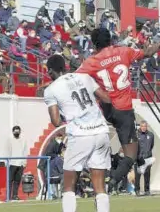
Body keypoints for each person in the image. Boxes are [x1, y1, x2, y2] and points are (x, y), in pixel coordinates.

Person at [76, 28, 160, 192]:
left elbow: (74, 77)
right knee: (130, 155)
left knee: (132, 146)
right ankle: (112, 181)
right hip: (123, 109)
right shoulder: (123, 52)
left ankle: (142, 163)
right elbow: (147, 53)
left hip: (107, 109)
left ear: (94, 43)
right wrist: (158, 45)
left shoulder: (91, 61)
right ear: (110, 40)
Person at [43, 54, 112, 212]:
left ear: (50, 71)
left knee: (69, 185)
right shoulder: (84, 77)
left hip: (81, 134)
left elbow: (55, 121)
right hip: (101, 131)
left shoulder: (50, 90)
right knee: (100, 185)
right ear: (65, 67)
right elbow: (106, 98)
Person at [134, 121, 155, 196]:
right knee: (137, 175)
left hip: (148, 158)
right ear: (140, 126)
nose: (143, 128)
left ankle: (147, 190)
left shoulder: (151, 135)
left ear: (147, 127)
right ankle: (137, 190)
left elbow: (152, 145)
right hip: (139, 158)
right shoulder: (136, 134)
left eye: (145, 126)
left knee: (147, 175)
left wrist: (148, 154)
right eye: (142, 126)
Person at [7, 126, 28, 201]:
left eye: (18, 131)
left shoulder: (23, 140)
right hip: (12, 163)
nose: (16, 133)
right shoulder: (10, 140)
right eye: (15, 131)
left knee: (17, 180)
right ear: (13, 132)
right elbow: (8, 151)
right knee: (10, 180)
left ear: (20, 132)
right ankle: (8, 197)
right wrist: (7, 162)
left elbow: (25, 151)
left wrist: (25, 162)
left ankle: (15, 195)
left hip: (20, 163)